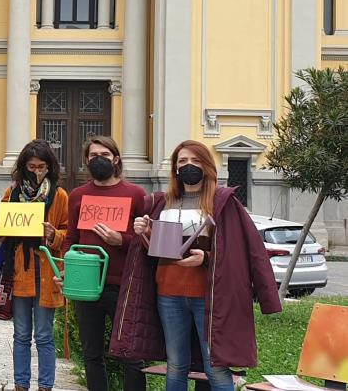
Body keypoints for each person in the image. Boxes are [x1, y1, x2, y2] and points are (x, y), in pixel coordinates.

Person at [110, 140, 282, 391]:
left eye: (195, 161)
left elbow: (241, 252)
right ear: (175, 169)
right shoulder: (161, 202)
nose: (188, 166)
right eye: (182, 161)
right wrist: (146, 233)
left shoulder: (223, 202)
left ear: (207, 166)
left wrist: (207, 258)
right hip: (168, 294)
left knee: (216, 367)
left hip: (208, 297)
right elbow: (157, 253)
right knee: (176, 364)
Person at [59, 136, 147, 391]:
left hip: (123, 286)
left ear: (116, 159)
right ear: (86, 160)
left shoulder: (136, 194)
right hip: (86, 287)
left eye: (105, 155)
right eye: (94, 155)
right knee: (91, 353)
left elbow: (148, 240)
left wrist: (122, 240)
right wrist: (66, 269)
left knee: (131, 355)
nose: (99, 160)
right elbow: (72, 238)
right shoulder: (78, 196)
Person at [0, 139, 68, 391]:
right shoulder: (12, 193)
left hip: (45, 271)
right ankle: (20, 385)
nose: (36, 171)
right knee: (20, 335)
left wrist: (54, 234)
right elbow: (4, 232)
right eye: (31, 166)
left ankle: (45, 386)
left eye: (41, 166)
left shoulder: (59, 195)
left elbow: (67, 233)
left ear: (50, 166)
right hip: (18, 271)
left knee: (44, 336)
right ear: (23, 166)